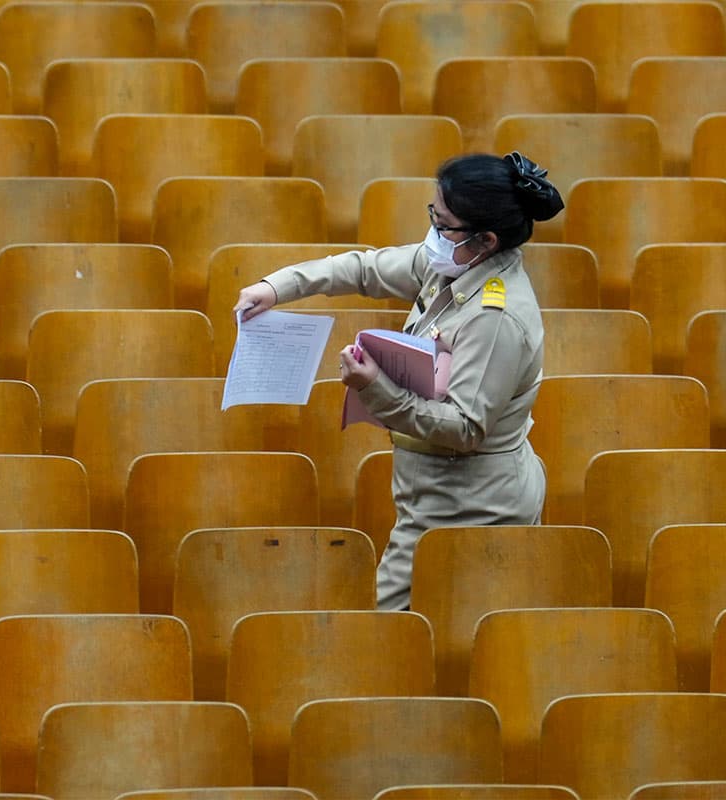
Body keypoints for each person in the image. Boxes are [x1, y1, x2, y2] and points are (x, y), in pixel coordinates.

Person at [234, 152, 564, 610]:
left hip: (474, 506)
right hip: (433, 494)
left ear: (486, 240)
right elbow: (364, 269)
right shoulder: (454, 263)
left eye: (444, 224)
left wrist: (374, 388)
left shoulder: (497, 317)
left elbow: (465, 427)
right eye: (434, 214)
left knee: (396, 634)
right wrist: (277, 287)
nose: (433, 233)